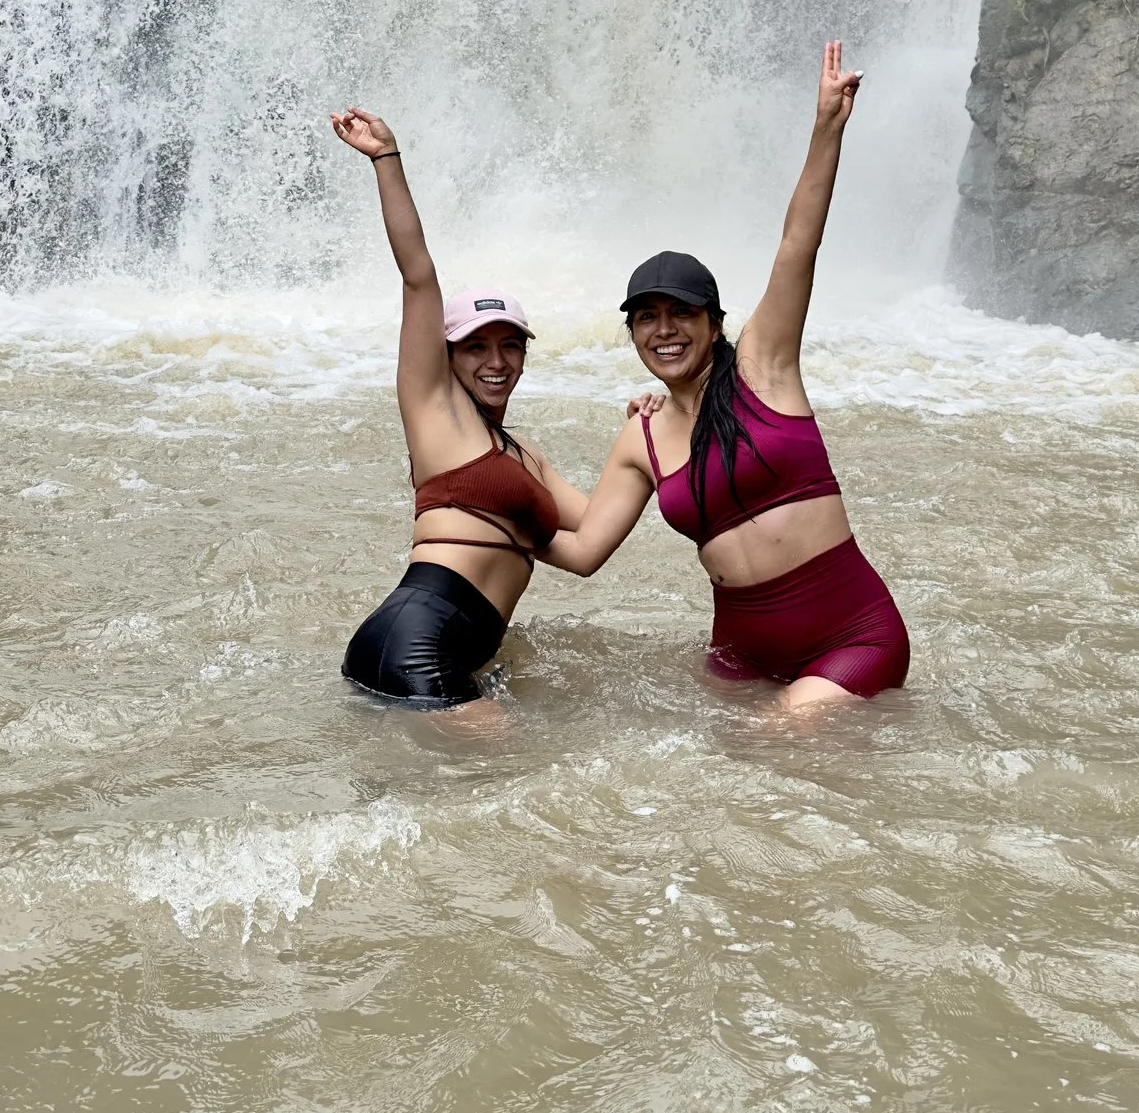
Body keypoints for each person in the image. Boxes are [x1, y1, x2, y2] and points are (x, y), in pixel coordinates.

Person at [547, 40, 910, 713]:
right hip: (739, 656)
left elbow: (798, 243)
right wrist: (494, 483)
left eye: (681, 314)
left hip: (851, 635)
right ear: (631, 335)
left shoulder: (762, 368)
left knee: (779, 734)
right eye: (646, 318)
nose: (664, 329)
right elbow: (584, 548)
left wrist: (827, 127)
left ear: (714, 323)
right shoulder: (642, 435)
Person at [330, 108, 589, 708]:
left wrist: (659, 429)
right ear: (447, 357)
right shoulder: (434, 411)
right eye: (475, 346)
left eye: (510, 344)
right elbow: (419, 275)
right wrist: (386, 159)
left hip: (431, 651)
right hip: (415, 647)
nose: (496, 361)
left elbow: (592, 539)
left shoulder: (524, 457)